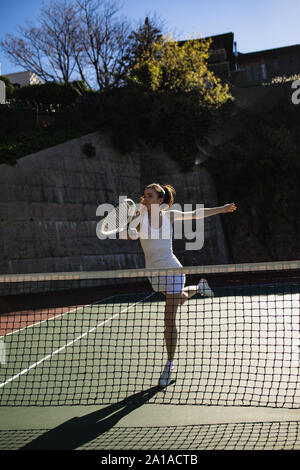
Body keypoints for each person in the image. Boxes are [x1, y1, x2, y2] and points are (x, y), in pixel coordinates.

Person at [121, 183, 237, 387]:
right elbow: (130, 236)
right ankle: (200, 287)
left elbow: (196, 213)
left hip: (172, 270)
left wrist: (221, 208)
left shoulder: (169, 215)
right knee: (178, 299)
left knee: (169, 318)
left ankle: (169, 364)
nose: (145, 198)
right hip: (153, 273)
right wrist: (128, 220)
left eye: (150, 196)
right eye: (145, 195)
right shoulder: (140, 216)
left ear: (159, 200)